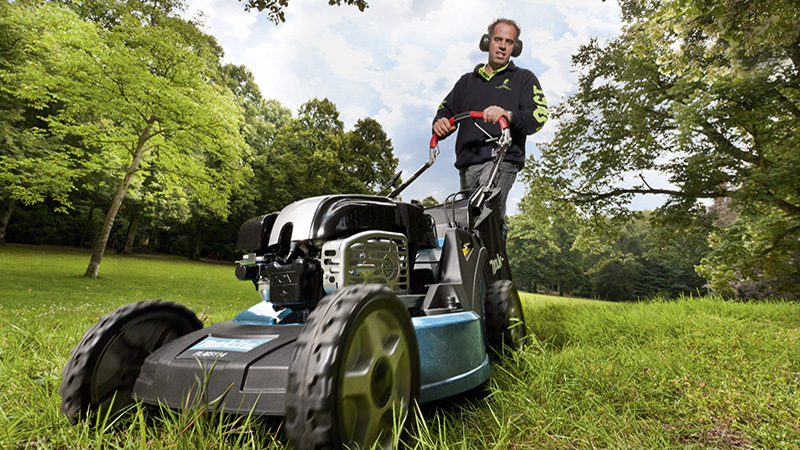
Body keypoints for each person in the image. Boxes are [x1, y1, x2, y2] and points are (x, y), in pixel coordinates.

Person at [432, 18, 548, 220]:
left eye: (509, 42)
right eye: (498, 39)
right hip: (467, 164)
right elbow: (445, 109)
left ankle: (496, 252)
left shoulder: (524, 79)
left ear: (515, 47)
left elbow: (539, 115)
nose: (503, 46)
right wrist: (440, 122)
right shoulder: (466, 82)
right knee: (467, 222)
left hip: (501, 159)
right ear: (487, 41)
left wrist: (508, 115)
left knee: (486, 216)